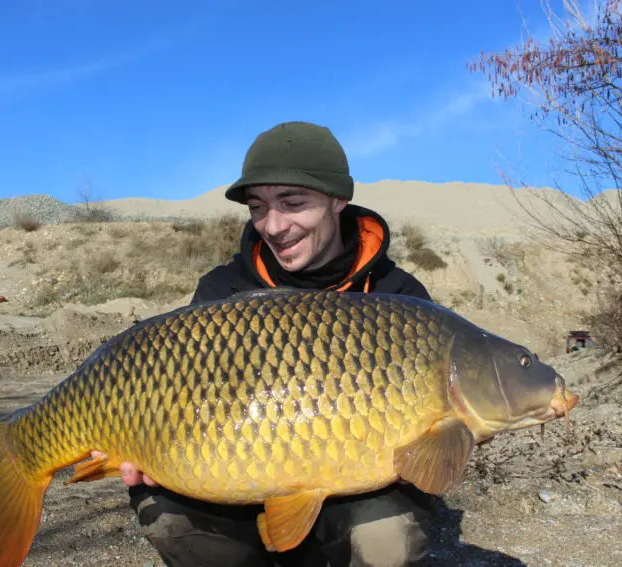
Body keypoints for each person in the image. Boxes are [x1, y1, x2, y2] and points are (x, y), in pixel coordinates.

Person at [101, 121, 436, 566]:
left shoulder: (399, 298)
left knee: (389, 539)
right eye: (258, 207)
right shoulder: (222, 290)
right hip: (236, 479)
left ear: (339, 200)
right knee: (164, 513)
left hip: (355, 488)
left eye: (293, 203)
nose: (274, 226)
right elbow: (186, 399)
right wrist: (149, 444)